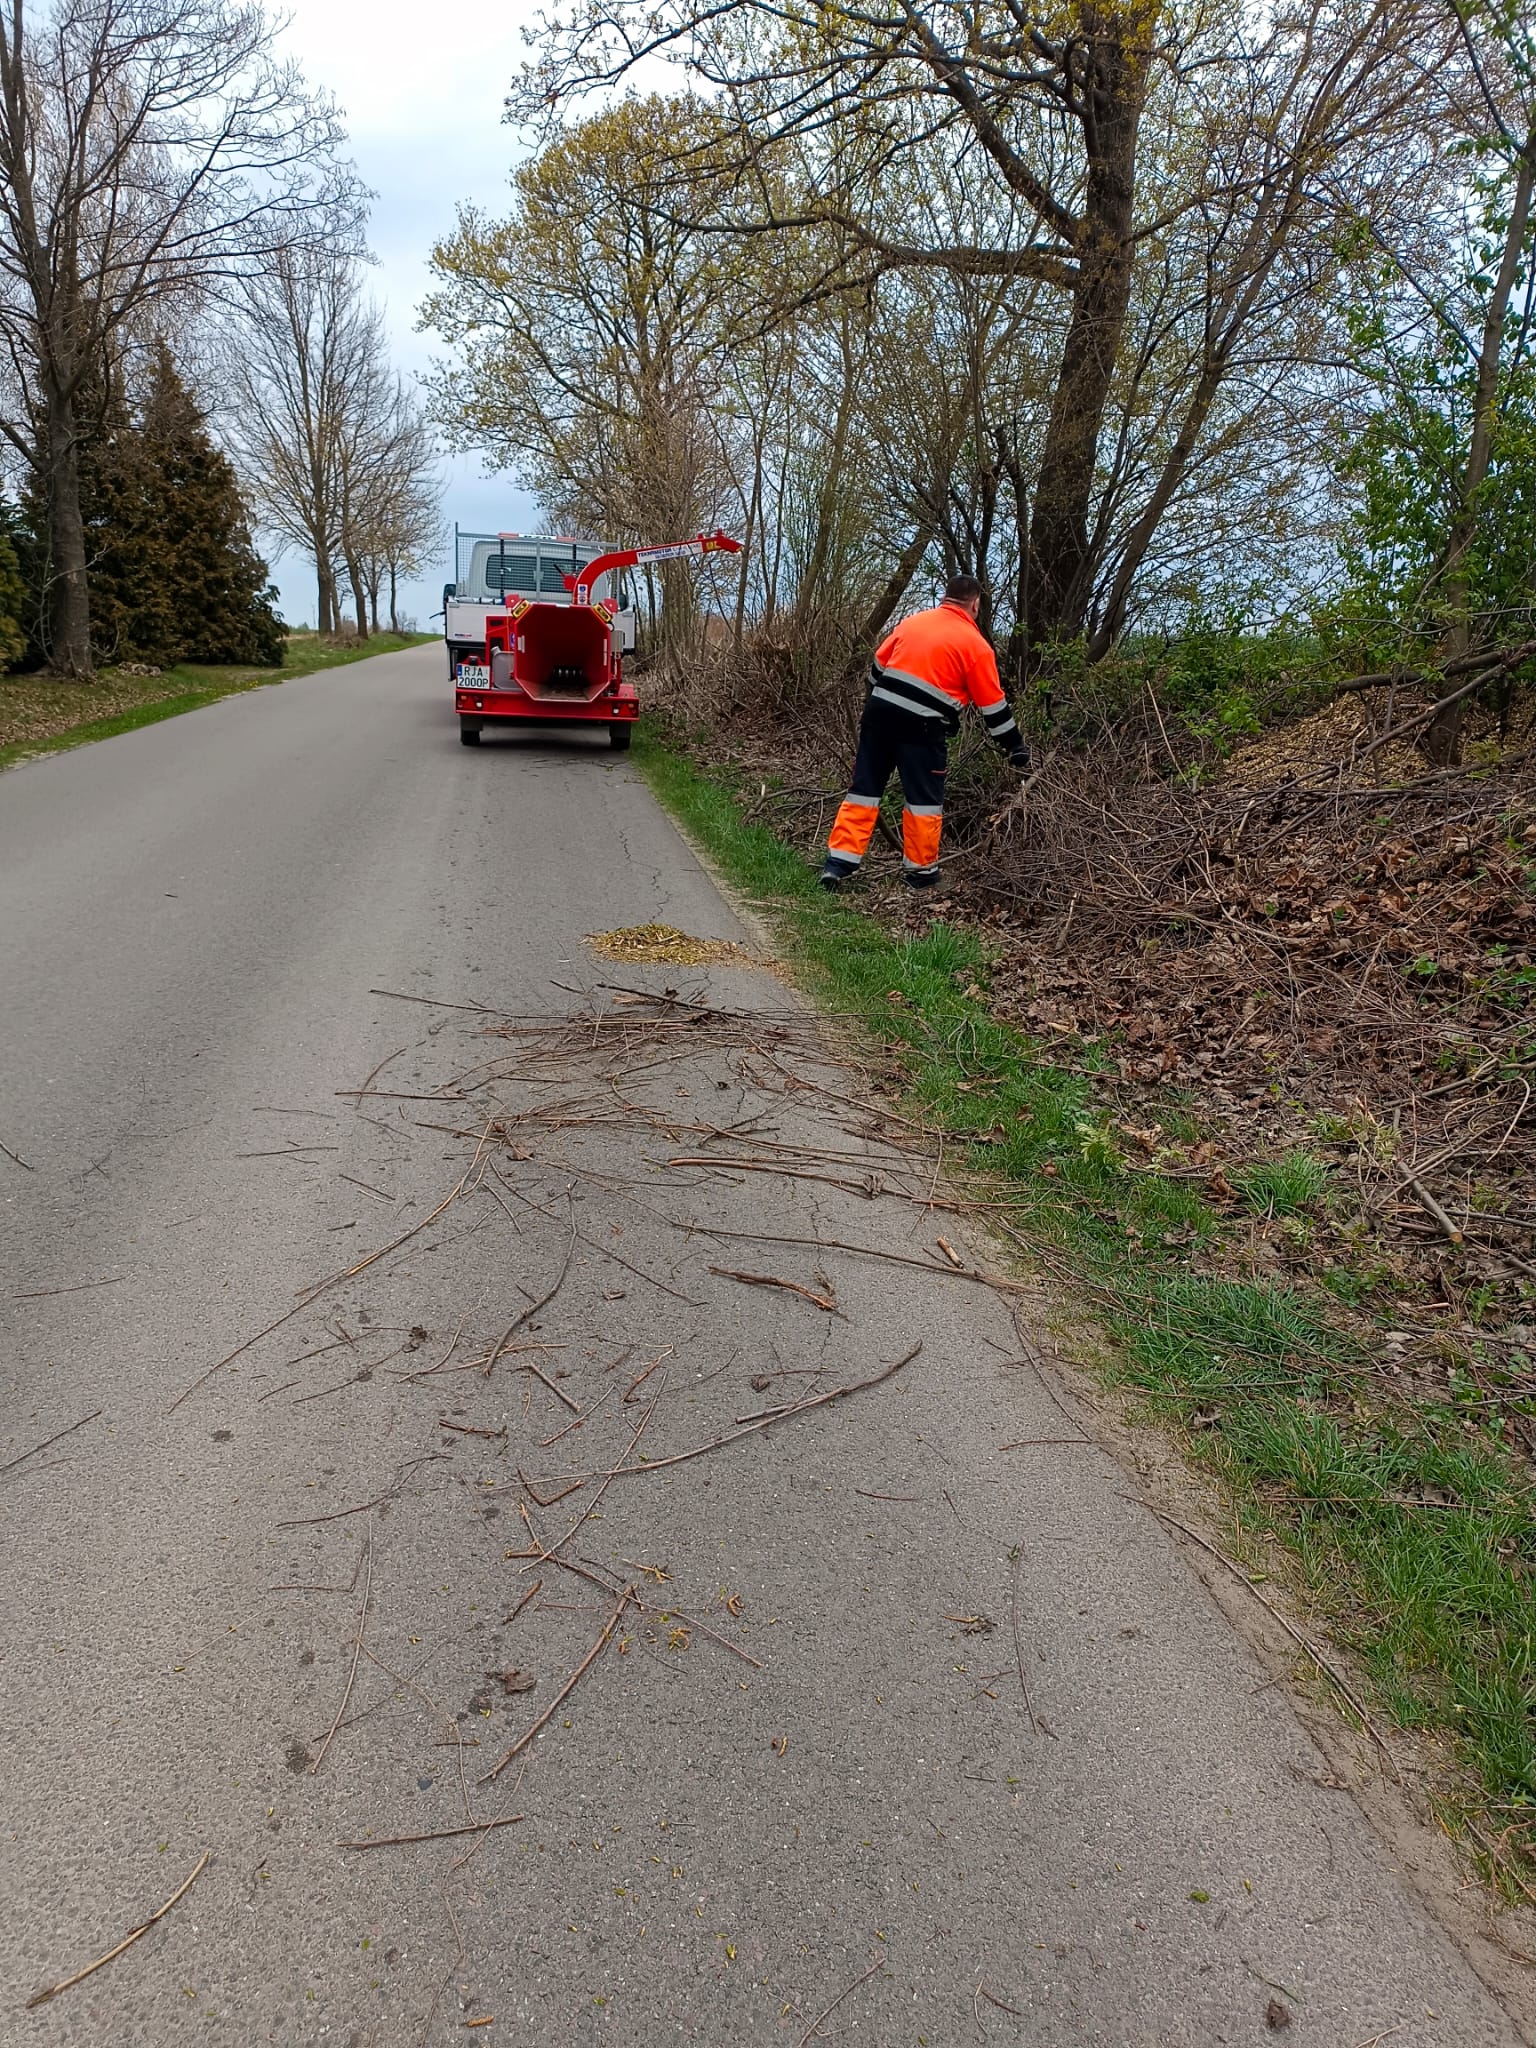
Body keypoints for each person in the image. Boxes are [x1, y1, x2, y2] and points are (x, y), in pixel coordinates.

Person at [819, 573, 1030, 891]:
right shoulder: (976, 647)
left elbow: (876, 669)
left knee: (864, 791)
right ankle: (921, 875)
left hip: (879, 716)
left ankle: (836, 865)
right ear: (975, 604)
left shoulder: (913, 623)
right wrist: (1015, 746)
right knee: (923, 802)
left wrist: (881, 704)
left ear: (946, 597)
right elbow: (993, 708)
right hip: (922, 727)